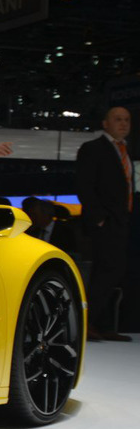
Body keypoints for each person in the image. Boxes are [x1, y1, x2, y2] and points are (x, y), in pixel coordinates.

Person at [76, 106, 134, 342]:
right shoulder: (93, 148)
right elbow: (84, 184)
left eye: (127, 120)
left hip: (123, 221)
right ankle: (86, 322)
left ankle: (103, 324)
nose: (123, 124)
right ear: (105, 124)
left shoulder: (127, 150)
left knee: (116, 272)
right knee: (106, 271)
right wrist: (98, 217)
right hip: (105, 222)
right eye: (118, 119)